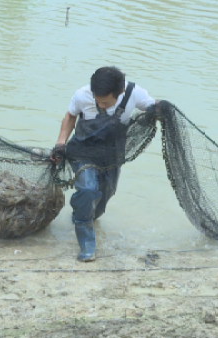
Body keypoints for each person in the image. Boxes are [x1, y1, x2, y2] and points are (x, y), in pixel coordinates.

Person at [52, 66, 157, 262]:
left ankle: (82, 215)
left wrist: (162, 109)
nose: (100, 104)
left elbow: (152, 107)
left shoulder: (135, 93)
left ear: (121, 93)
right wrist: (60, 142)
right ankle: (86, 243)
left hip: (111, 156)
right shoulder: (82, 95)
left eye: (105, 102)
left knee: (105, 195)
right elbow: (70, 116)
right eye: (97, 100)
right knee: (88, 189)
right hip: (82, 152)